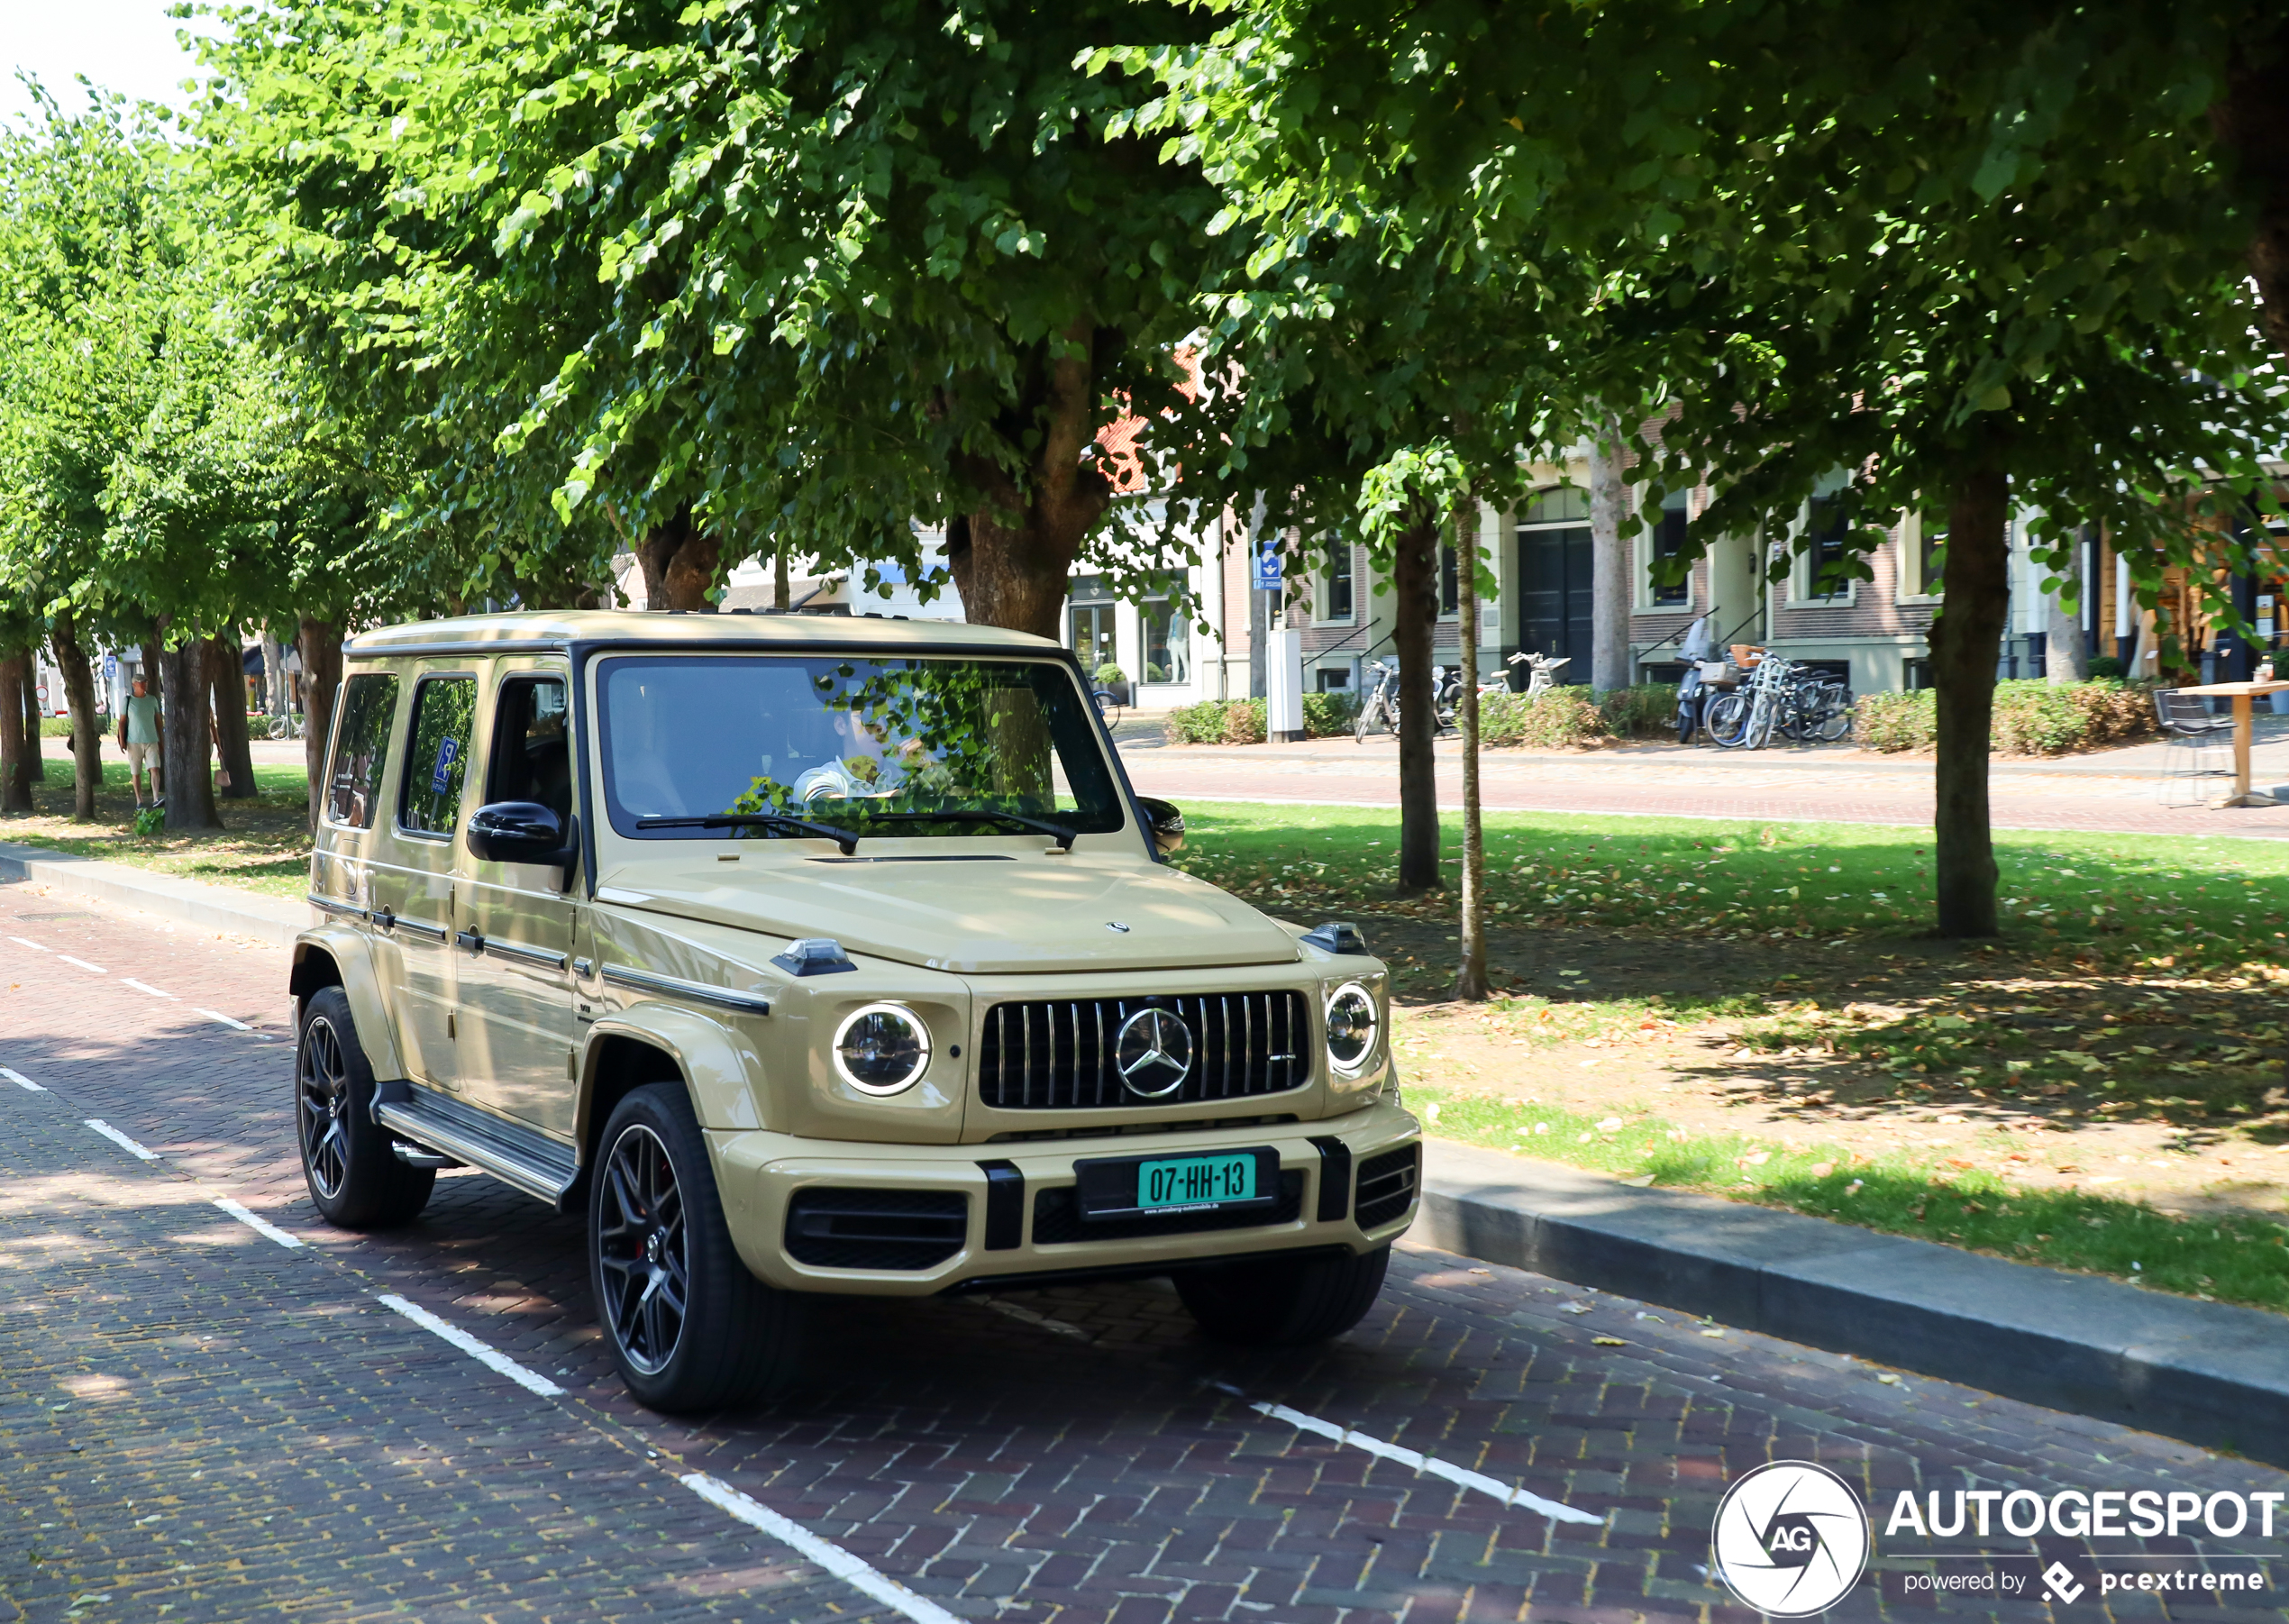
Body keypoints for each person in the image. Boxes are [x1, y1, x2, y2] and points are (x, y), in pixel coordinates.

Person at [117, 675, 163, 807]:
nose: (143, 685)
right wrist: (122, 740)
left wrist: (161, 740)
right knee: (135, 772)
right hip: (134, 742)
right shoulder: (128, 700)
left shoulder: (152, 700)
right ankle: (139, 800)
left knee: (154, 768)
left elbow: (158, 722)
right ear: (134, 685)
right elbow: (122, 722)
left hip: (151, 740)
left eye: (145, 682)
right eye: (140, 682)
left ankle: (155, 798)